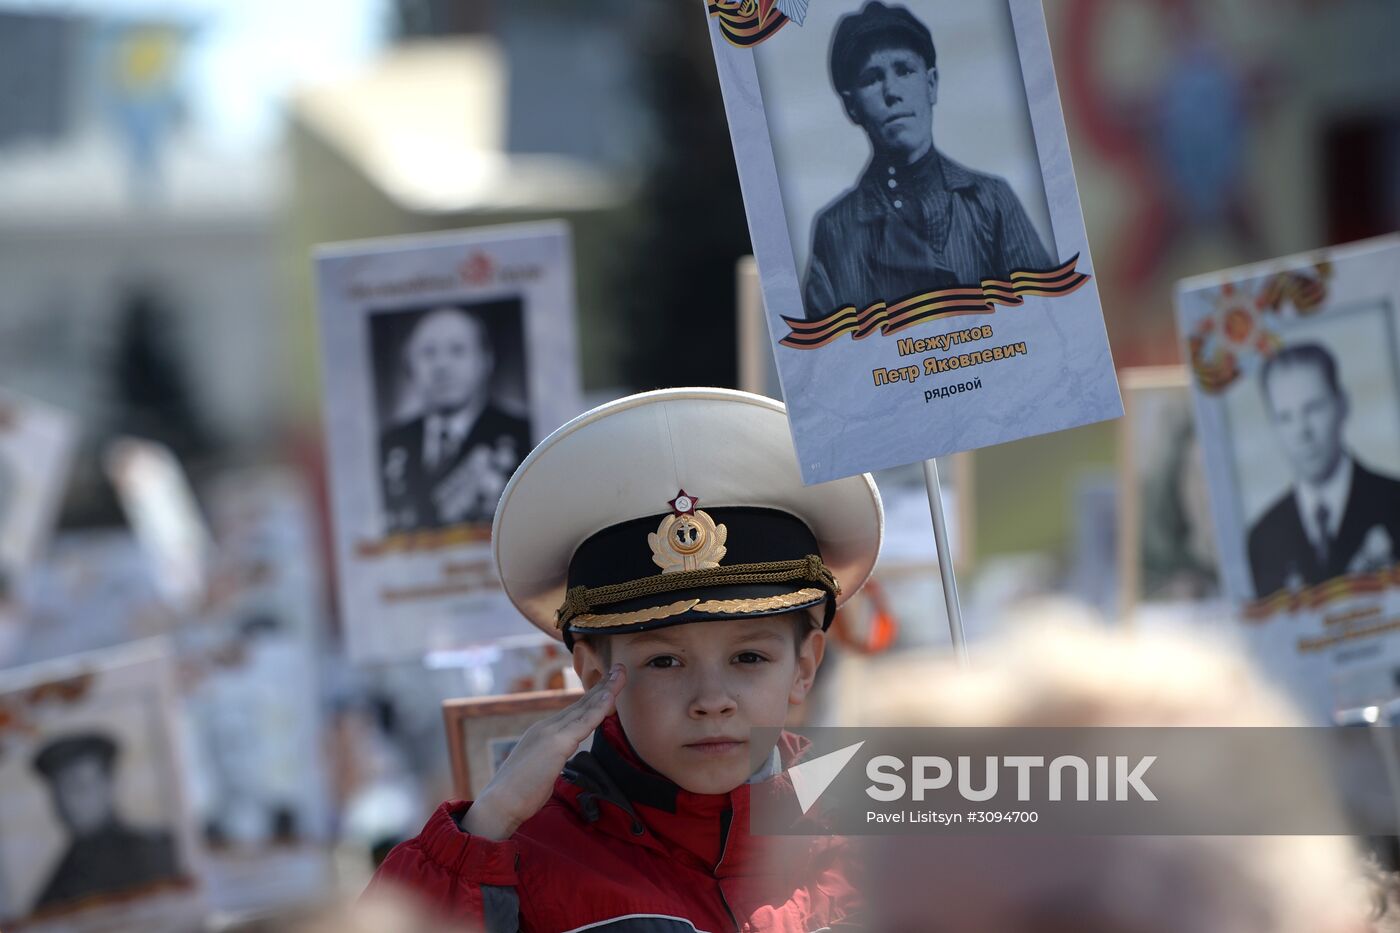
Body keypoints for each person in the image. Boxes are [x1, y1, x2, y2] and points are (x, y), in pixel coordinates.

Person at [367, 388, 883, 930]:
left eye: (749, 657)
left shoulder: (882, 831)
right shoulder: (516, 859)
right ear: (594, 676)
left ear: (804, 667)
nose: (711, 701)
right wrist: (487, 824)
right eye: (665, 662)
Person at [801, 1, 1053, 321]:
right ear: (852, 107)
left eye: (904, 70)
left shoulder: (992, 201)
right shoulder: (835, 229)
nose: (891, 91)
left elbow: (1047, 324)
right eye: (871, 78)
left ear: (931, 84)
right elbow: (825, 363)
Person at [1247, 342, 1400, 597]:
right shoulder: (1263, 537)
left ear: (1342, 405)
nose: (1301, 432)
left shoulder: (1394, 501)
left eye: (1313, 408)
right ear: (1273, 426)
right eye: (1285, 417)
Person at [379, 306, 531, 533]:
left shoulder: (525, 436)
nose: (442, 366)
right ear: (409, 364)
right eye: (428, 353)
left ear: (485, 360)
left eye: (457, 350)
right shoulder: (387, 444)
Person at [30, 732, 180, 914]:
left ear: (109, 785)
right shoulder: (61, 880)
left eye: (79, 786)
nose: (68, 802)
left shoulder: (160, 851)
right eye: (58, 791)